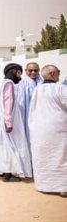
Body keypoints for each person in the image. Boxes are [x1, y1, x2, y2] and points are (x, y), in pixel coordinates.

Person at [0, 63, 32, 182]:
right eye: (19, 72)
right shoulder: (9, 84)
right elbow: (8, 103)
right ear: (12, 72)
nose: (20, 76)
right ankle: (7, 173)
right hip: (6, 120)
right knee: (9, 145)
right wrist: (9, 122)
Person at [28, 65, 66, 196]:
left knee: (43, 157)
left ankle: (44, 185)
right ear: (52, 73)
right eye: (58, 73)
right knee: (61, 158)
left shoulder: (37, 89)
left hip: (39, 131)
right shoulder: (60, 88)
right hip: (58, 131)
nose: (59, 75)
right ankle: (63, 187)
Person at [16, 62, 42, 151]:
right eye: (30, 70)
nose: (33, 72)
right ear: (26, 71)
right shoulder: (22, 84)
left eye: (36, 70)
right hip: (27, 115)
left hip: (41, 115)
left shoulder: (42, 83)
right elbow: (20, 103)